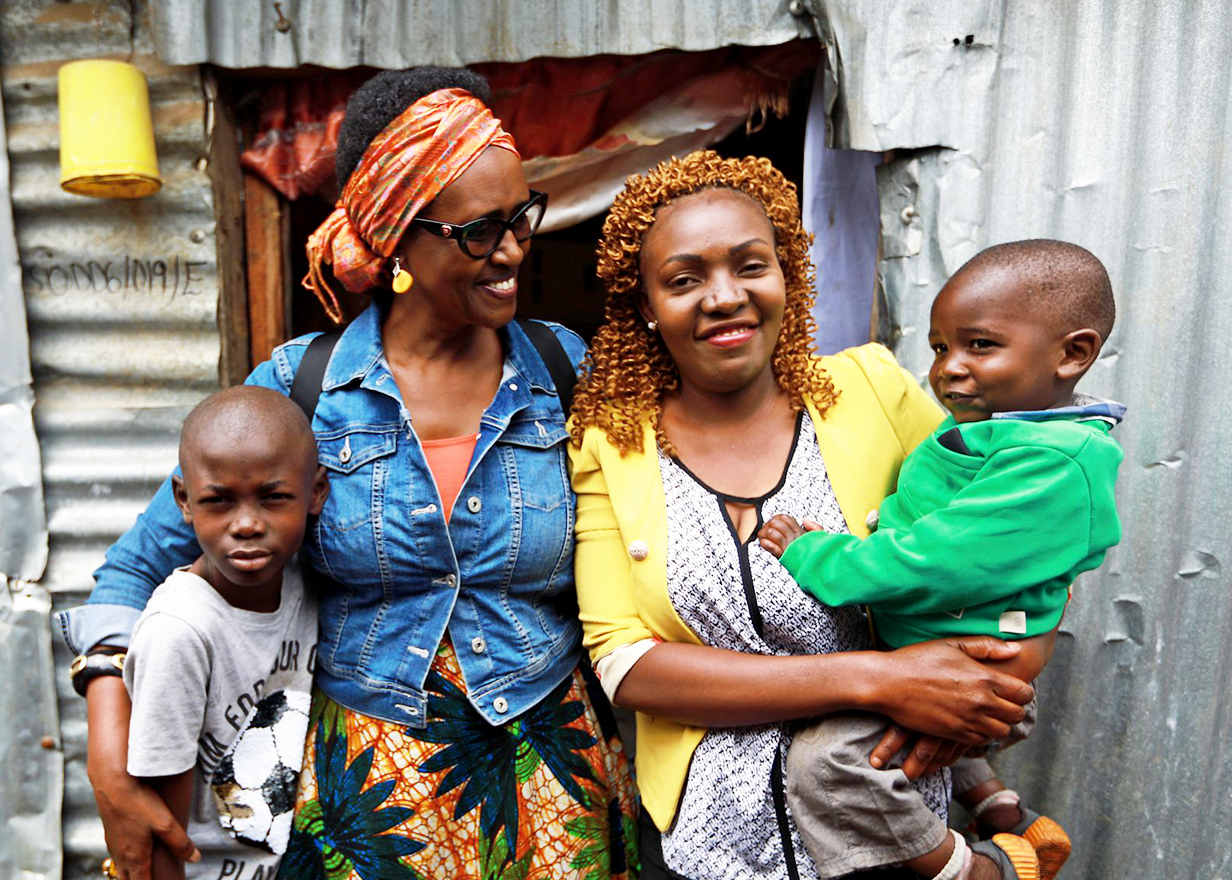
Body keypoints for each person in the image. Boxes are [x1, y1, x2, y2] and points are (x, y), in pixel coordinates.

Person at [58, 67, 636, 880]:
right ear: (399, 237)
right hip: (370, 791)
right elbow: (130, 572)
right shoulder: (302, 391)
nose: (512, 252)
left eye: (521, 219)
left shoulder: (563, 369)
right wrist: (109, 761)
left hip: (551, 770)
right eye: (479, 231)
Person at [568, 149, 1036, 880]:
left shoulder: (873, 392)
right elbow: (625, 664)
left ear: (788, 274)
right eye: (685, 280)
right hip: (712, 846)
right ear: (646, 307)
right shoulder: (614, 444)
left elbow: (1014, 535)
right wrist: (877, 680)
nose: (724, 297)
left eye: (750, 265)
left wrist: (972, 699)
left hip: (889, 822)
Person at [759, 239, 1123, 880]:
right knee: (917, 729)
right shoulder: (1000, 429)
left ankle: (977, 869)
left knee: (826, 767)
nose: (948, 368)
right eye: (938, 347)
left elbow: (934, 559)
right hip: (940, 648)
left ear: (1074, 353)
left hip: (971, 665)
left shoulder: (1052, 460)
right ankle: (1001, 807)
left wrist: (818, 555)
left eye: (979, 345)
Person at [124, 386, 328, 879]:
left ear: (317, 492)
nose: (247, 525)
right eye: (218, 501)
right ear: (184, 500)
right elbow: (161, 834)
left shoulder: (310, 580)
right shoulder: (180, 633)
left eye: (275, 498)